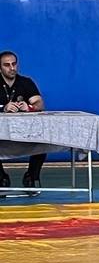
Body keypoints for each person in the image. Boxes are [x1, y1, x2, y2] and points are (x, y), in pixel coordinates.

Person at [0, 51, 46, 189]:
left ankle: (32, 177)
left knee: (43, 143)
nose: (12, 68)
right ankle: (1, 178)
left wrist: (30, 107)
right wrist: (3, 108)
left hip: (25, 131)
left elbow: (39, 103)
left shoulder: (26, 82)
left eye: (14, 64)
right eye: (7, 65)